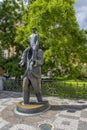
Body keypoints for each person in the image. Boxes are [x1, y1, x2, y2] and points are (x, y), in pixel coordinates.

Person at [19, 28, 43, 104]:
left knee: (37, 90)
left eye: (33, 42)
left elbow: (41, 62)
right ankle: (25, 101)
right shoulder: (26, 52)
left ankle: (40, 100)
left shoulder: (39, 51)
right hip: (27, 73)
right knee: (24, 86)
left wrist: (35, 61)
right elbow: (23, 60)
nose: (31, 44)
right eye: (30, 42)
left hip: (35, 74)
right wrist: (21, 64)